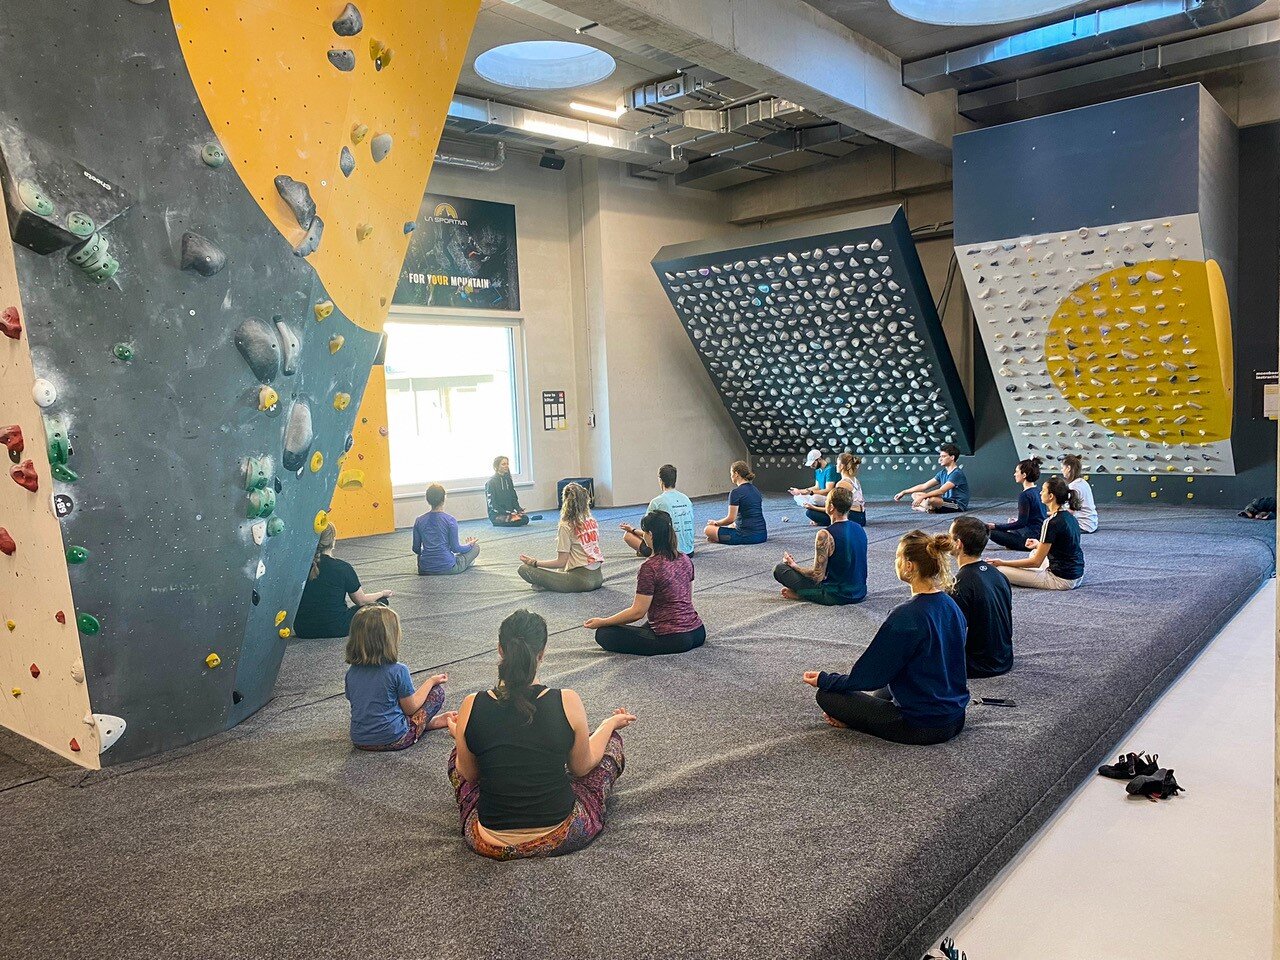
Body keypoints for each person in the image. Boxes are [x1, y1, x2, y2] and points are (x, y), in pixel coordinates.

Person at [447, 609, 636, 859]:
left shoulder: (471, 704)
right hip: (560, 833)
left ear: (500, 650)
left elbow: (471, 775)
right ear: (542, 653)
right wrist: (608, 725)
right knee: (609, 744)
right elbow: (581, 768)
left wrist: (462, 734)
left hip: (488, 840)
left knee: (457, 756)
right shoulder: (567, 700)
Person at [801, 530, 969, 745]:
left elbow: (869, 677)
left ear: (909, 565)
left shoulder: (906, 615)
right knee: (887, 686)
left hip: (920, 727)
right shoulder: (950, 604)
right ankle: (863, 715)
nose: (895, 562)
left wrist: (825, 679)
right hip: (956, 717)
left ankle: (857, 721)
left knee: (827, 695)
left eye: (898, 557)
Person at [588, 511, 705, 655]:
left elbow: (637, 612)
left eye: (644, 532)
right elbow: (687, 599)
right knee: (646, 625)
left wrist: (603, 621)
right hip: (698, 632)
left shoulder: (650, 567)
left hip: (674, 639)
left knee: (604, 633)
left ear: (650, 534)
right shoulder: (684, 559)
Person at [344, 605, 454, 751]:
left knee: (389, 702)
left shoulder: (351, 672)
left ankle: (424, 723)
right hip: (395, 738)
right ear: (390, 639)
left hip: (360, 740)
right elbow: (410, 708)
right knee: (437, 693)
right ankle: (425, 724)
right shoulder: (398, 670)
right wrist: (431, 681)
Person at [294, 524, 393, 639]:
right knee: (381, 602)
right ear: (333, 541)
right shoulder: (342, 567)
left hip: (303, 629)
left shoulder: (300, 568)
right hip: (337, 628)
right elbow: (361, 601)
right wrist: (382, 593)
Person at [774, 486, 868, 606]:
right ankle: (805, 593)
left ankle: (803, 594)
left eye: (826, 501)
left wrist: (794, 566)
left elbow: (817, 576)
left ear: (831, 506)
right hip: (860, 592)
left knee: (780, 569)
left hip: (836, 596)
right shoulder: (859, 528)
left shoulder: (825, 534)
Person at [987, 476, 1085, 590]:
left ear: (1051, 496)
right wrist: (1038, 544)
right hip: (1077, 575)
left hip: (1061, 580)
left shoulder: (1051, 522)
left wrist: (1002, 562)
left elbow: (1036, 562)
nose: (1040, 493)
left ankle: (1036, 574)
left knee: (999, 569)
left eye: (1043, 491)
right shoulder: (1070, 517)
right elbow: (1065, 547)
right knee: (1034, 551)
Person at [949, 516, 1014, 678]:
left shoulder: (960, 584)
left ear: (958, 544)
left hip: (979, 665)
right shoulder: (998, 574)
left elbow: (951, 635)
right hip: (1005, 658)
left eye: (950, 536)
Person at [518, 482, 603, 592]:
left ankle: (550, 584)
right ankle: (553, 583)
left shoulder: (566, 525)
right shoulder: (591, 521)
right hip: (598, 578)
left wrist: (534, 562)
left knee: (524, 569)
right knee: (564, 567)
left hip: (580, 580)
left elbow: (561, 562)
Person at [621, 463, 696, 557]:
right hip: (689, 552)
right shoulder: (686, 499)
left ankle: (648, 552)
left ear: (660, 480)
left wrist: (632, 529)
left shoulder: (657, 502)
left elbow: (647, 532)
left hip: (668, 554)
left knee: (628, 536)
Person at [412, 483, 479, 575]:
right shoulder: (450, 520)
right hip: (448, 568)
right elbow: (455, 548)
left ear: (428, 499)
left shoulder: (419, 520)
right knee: (475, 547)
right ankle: (463, 561)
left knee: (424, 555)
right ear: (443, 498)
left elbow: (416, 549)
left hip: (424, 569)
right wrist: (469, 545)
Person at [987, 457, 1046, 550]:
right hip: (1040, 533)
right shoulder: (1038, 491)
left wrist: (995, 526)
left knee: (989, 531)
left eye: (1017, 471)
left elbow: (1021, 523)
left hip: (1030, 538)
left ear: (1024, 475)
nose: (1014, 474)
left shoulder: (1025, 495)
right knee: (1010, 525)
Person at [704, 460, 767, 544]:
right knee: (732, 525)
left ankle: (719, 538)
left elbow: (730, 518)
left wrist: (716, 523)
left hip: (747, 536)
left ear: (736, 474)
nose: (730, 476)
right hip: (762, 535)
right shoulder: (755, 490)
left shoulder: (735, 492)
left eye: (731, 474)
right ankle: (718, 537)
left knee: (708, 529)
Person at [893, 443, 969, 513]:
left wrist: (923, 497)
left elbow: (941, 491)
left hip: (957, 505)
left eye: (943, 456)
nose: (940, 459)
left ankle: (925, 508)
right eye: (940, 456)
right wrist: (904, 492)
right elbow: (924, 486)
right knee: (915, 495)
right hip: (945, 501)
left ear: (952, 457)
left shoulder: (957, 474)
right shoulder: (942, 473)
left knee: (932, 500)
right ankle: (929, 508)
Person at [805, 452, 866, 527]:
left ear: (842, 466)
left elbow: (834, 509)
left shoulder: (841, 484)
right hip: (861, 516)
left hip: (853, 517)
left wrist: (813, 507)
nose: (836, 466)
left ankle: (825, 522)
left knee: (810, 512)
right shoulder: (854, 479)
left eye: (837, 464)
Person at [485, 455, 528, 527]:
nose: (506, 466)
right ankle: (510, 518)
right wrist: (507, 512)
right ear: (496, 466)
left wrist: (519, 509)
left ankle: (512, 518)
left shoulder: (508, 480)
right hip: (497, 515)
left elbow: (513, 497)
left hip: (509, 513)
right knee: (517, 522)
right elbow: (492, 504)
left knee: (525, 519)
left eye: (507, 464)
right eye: (503, 464)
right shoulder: (491, 482)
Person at [1062, 455, 1099, 533]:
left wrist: (1050, 513)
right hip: (1092, 523)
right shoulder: (1082, 482)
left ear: (1068, 468)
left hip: (1083, 526)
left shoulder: (1073, 486)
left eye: (1062, 468)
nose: (1062, 470)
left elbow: (1070, 511)